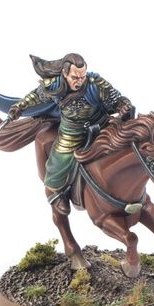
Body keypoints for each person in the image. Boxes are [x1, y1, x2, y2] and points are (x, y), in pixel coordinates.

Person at [8, 53, 132, 213]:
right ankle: (57, 194)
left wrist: (123, 106)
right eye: (75, 77)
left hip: (101, 124)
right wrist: (19, 107)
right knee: (58, 162)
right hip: (72, 132)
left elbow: (116, 98)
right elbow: (35, 97)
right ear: (65, 73)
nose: (79, 81)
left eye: (82, 77)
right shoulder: (54, 86)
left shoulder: (95, 83)